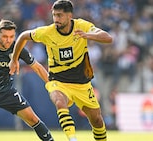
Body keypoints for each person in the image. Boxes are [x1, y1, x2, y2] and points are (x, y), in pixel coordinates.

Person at [9, 0, 113, 141]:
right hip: (58, 81)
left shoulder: (81, 25)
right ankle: (72, 138)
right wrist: (14, 59)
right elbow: (23, 36)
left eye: (59, 15)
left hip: (81, 83)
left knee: (97, 120)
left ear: (70, 16)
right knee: (59, 101)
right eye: (54, 15)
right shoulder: (47, 32)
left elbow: (108, 38)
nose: (56, 19)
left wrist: (88, 35)